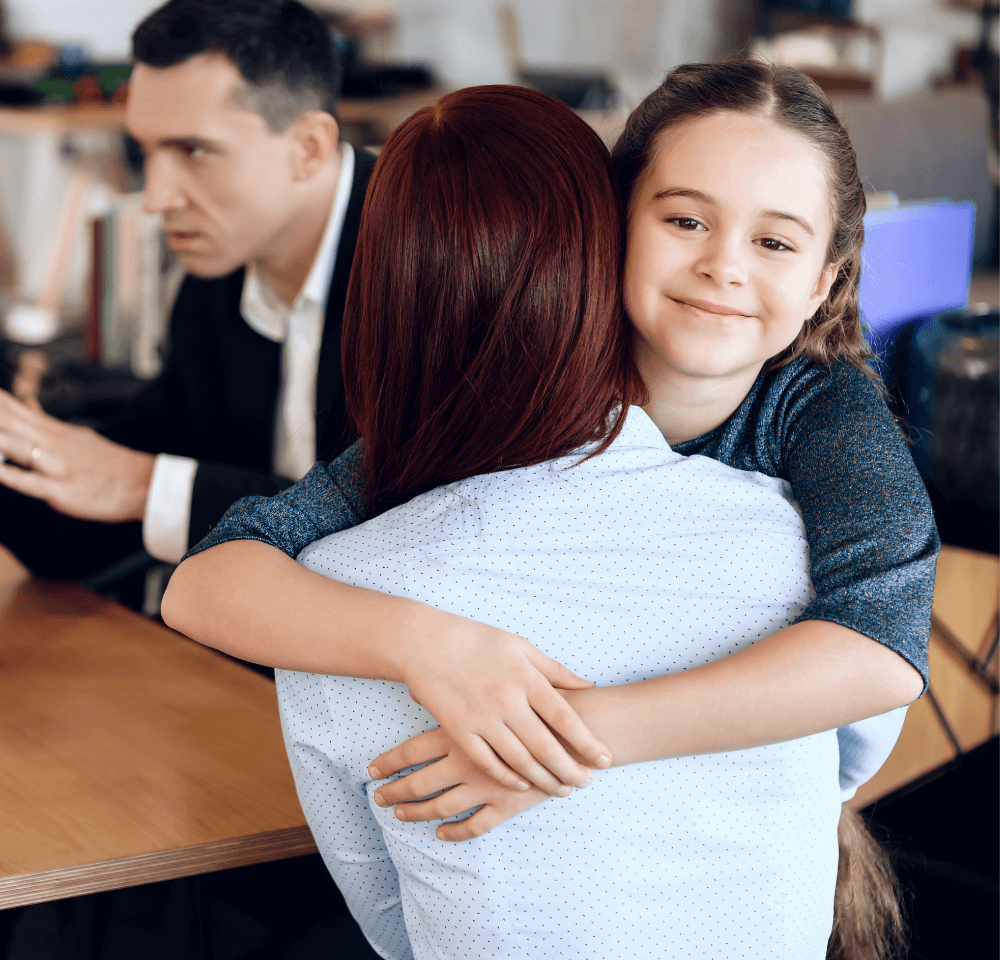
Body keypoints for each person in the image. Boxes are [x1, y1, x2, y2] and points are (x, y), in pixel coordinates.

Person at [163, 67, 931, 957]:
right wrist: (433, 646)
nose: (724, 264)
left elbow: (881, 650)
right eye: (685, 220)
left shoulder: (824, 410)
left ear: (824, 284)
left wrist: (568, 745)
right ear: (608, 227)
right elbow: (208, 582)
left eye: (775, 243)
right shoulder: (525, 385)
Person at [0, 0, 376, 592]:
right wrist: (26, 461)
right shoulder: (216, 279)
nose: (155, 198)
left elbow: (402, 532)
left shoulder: (436, 265)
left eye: (195, 151)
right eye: (146, 152)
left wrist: (145, 486)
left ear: (308, 147)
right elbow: (110, 498)